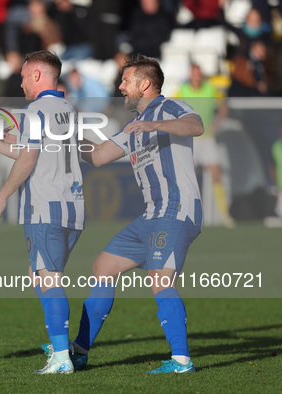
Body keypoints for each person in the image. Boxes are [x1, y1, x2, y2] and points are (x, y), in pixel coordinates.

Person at [42, 54, 204, 374]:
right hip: (151, 215)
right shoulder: (133, 125)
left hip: (176, 209)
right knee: (104, 266)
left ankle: (182, 360)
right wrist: (66, 136)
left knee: (160, 279)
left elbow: (196, 125)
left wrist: (154, 124)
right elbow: (100, 156)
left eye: (126, 81)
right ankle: (80, 351)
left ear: (145, 84)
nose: (121, 86)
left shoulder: (169, 108)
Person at [0, 50, 85, 374]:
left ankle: (62, 356)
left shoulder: (35, 110)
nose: (20, 82)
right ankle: (60, 343)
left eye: (22, 75)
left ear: (36, 75)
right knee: (42, 276)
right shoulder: (68, 108)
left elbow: (30, 158)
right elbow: (35, 151)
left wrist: (2, 195)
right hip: (73, 207)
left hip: (44, 205)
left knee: (47, 279)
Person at [175, 63, 234, 227]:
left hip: (207, 139)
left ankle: (224, 216)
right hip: (189, 140)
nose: (196, 77)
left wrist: (216, 124)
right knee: (190, 179)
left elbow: (223, 108)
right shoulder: (182, 90)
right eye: (194, 73)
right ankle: (190, 215)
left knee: (216, 174)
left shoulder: (210, 89)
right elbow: (170, 107)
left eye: (198, 73)